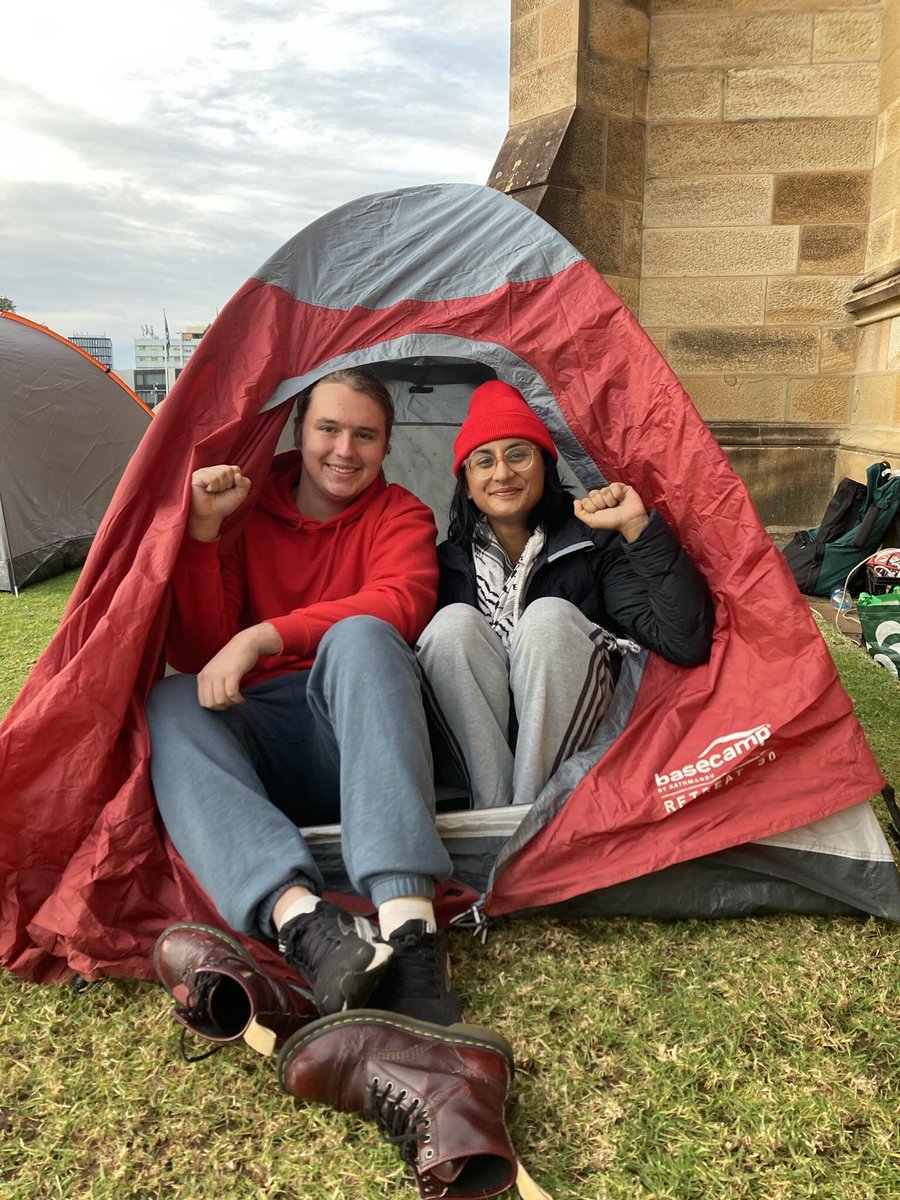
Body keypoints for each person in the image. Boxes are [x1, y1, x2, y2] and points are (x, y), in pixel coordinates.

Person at [146, 367, 461, 1027]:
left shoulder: (401, 514)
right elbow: (201, 655)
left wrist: (264, 635)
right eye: (329, 428)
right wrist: (202, 536)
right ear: (299, 430)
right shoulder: (246, 511)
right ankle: (307, 926)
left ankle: (411, 932)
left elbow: (401, 605)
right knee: (172, 701)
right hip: (260, 742)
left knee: (365, 637)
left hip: (354, 738)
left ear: (386, 444)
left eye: (365, 435)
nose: (345, 450)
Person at [416, 380, 715, 809]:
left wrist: (636, 529)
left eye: (518, 454)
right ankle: (497, 815)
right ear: (466, 484)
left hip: (582, 734)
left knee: (548, 618)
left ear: (545, 466)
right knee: (452, 626)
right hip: (476, 757)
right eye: (484, 461)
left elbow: (685, 640)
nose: (502, 473)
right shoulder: (443, 564)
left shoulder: (592, 544)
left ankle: (523, 817)